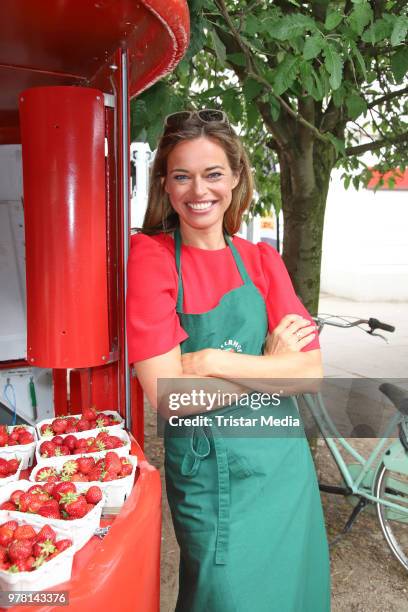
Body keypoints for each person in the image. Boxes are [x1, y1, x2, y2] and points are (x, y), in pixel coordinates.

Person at [126, 109, 330, 612]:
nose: (200, 190)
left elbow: (310, 372)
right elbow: (170, 397)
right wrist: (268, 367)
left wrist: (212, 359)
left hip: (283, 469)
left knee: (293, 594)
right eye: (182, 175)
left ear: (236, 178)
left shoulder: (262, 260)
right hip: (214, 477)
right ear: (166, 186)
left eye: (213, 173)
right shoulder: (150, 256)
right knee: (226, 597)